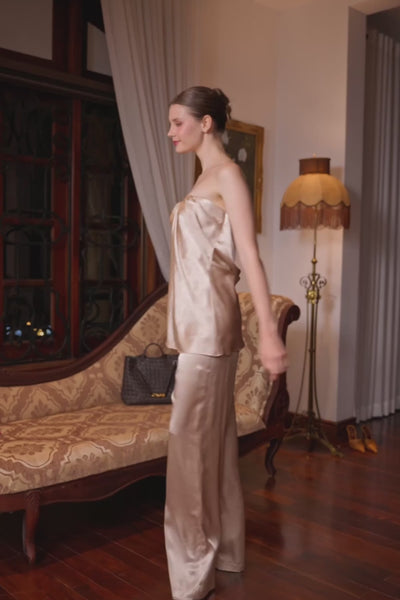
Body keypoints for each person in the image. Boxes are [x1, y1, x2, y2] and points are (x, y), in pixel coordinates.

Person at [164, 86, 288, 600]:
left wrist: (269, 333)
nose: (170, 131)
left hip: (210, 331)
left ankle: (193, 574)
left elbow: (250, 257)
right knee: (212, 446)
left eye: (178, 122)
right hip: (199, 329)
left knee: (189, 451)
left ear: (206, 123)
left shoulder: (228, 176)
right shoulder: (203, 178)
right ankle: (227, 552)